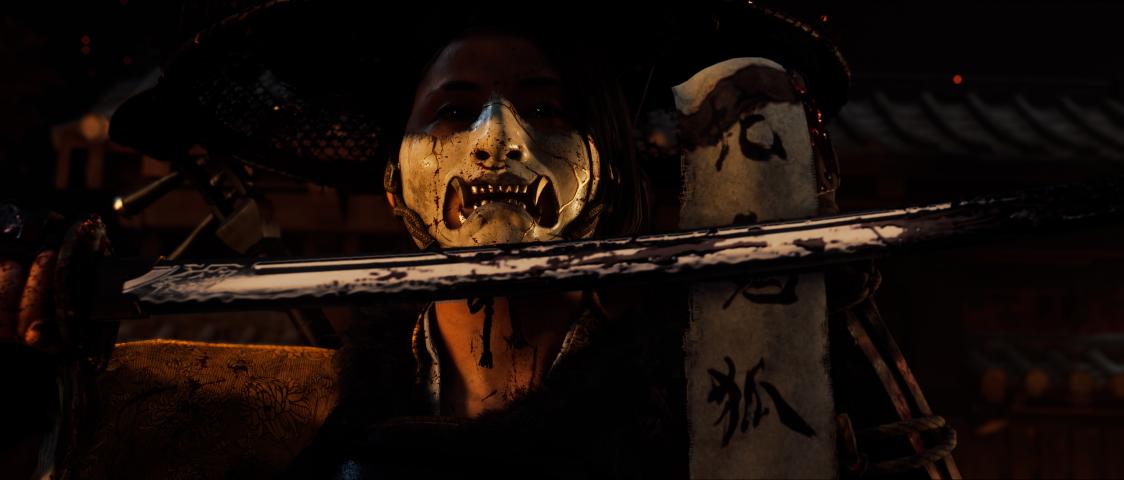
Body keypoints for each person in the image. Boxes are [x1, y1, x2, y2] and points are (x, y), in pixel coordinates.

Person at [1, 1, 957, 478]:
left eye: (548, 109)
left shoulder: (710, 402)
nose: (498, 139)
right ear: (395, 179)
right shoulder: (303, 419)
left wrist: (832, 346)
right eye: (454, 111)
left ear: (611, 164)